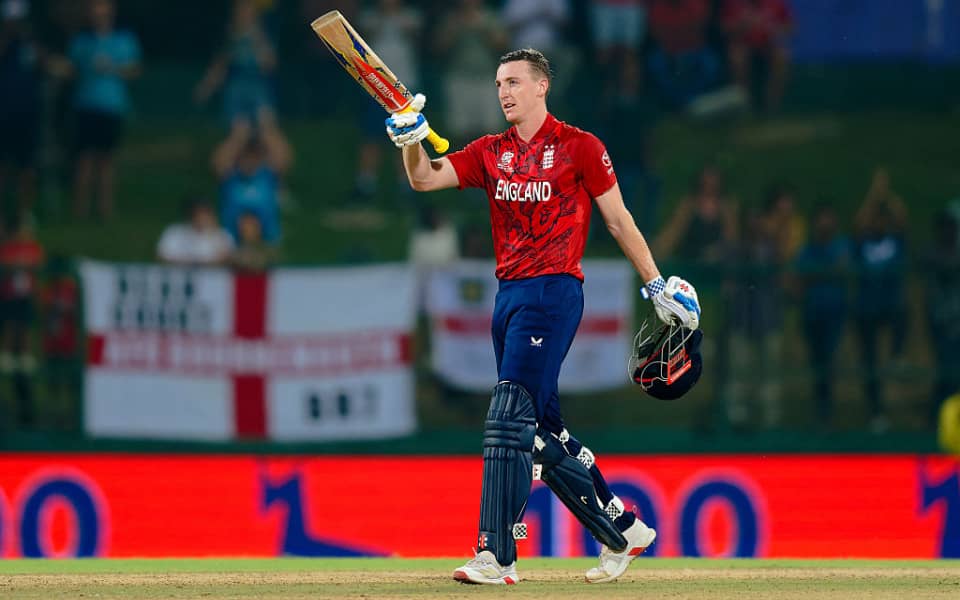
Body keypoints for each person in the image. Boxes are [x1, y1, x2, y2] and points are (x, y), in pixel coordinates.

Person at [384, 48, 701, 585]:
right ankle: (622, 530)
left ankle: (496, 554)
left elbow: (619, 220)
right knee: (538, 431)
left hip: (554, 293)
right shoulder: (491, 152)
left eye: (513, 82)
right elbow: (424, 179)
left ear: (541, 86)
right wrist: (410, 140)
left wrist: (654, 283)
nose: (503, 92)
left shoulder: (581, 147)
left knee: (508, 416)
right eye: (498, 83)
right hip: (508, 297)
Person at [61, 0, 141, 221]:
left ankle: (105, 209)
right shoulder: (81, 42)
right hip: (85, 105)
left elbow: (135, 70)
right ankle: (79, 209)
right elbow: (70, 69)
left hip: (112, 106)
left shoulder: (124, 40)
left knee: (107, 159)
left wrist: (113, 68)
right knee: (84, 158)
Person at [212, 109, 292, 245]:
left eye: (254, 158)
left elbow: (284, 159)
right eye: (246, 157)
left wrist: (268, 129)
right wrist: (237, 138)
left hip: (266, 232)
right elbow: (218, 162)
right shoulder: (231, 177)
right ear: (240, 158)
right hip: (233, 233)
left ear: (260, 158)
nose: (249, 162)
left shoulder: (267, 176)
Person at [194, 0, 277, 129]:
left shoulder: (261, 37)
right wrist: (206, 87)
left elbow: (269, 64)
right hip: (236, 90)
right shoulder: (231, 39)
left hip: (257, 89)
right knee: (240, 132)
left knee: (268, 129)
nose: (244, 16)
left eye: (248, 13)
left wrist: (257, 39)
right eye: (241, 12)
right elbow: (220, 66)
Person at [0, 0, 45, 228]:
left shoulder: (29, 45)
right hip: (4, 115)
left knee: (27, 168)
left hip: (27, 115)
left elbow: (42, 64)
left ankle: (23, 213)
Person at [721, 0, 792, 113]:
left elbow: (790, 27)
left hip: (768, 46)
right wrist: (742, 26)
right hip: (743, 44)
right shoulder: (734, 4)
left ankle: (772, 105)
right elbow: (724, 29)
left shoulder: (775, 4)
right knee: (737, 57)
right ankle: (744, 104)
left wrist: (775, 29)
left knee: (782, 56)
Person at [156, 196, 234, 266]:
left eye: (205, 213)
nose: (201, 217)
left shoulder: (220, 235)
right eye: (197, 213)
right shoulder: (174, 232)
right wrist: (189, 263)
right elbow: (161, 256)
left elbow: (228, 258)